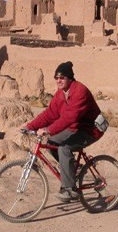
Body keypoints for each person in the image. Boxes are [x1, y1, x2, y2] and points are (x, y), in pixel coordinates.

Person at [24, 61, 104, 202]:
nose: (58, 81)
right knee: (52, 143)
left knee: (64, 148)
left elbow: (70, 117)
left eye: (62, 78)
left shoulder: (80, 91)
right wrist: (30, 126)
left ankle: (69, 190)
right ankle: (75, 168)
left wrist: (48, 130)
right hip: (75, 128)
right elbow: (50, 114)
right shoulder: (61, 93)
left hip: (91, 129)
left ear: (70, 78)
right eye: (56, 78)